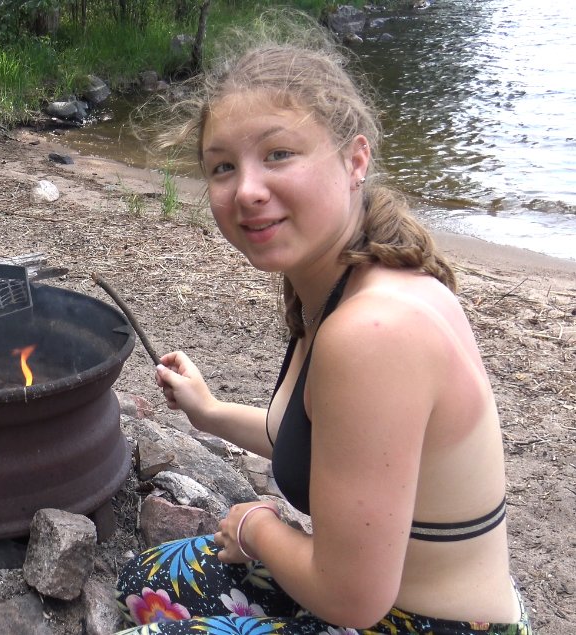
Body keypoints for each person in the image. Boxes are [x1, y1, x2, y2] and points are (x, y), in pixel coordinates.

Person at [113, 24, 533, 635]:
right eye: (223, 167)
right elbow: (335, 445)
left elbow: (350, 598)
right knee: (146, 580)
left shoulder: (373, 332)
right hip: (385, 599)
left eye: (278, 154)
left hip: (427, 622)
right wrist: (209, 412)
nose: (247, 190)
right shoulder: (341, 282)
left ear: (355, 159)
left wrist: (255, 527)